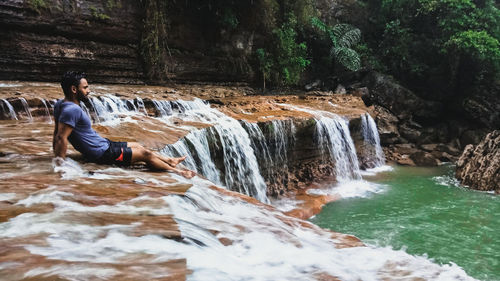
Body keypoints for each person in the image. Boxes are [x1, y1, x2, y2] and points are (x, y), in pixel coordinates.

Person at [52, 71, 196, 179]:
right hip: (103, 154)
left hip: (103, 145)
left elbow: (56, 132)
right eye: (85, 87)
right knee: (144, 154)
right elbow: (60, 137)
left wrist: (56, 157)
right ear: (74, 89)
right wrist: (61, 165)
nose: (88, 91)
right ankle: (178, 172)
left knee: (138, 145)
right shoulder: (72, 110)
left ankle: (170, 160)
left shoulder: (60, 104)